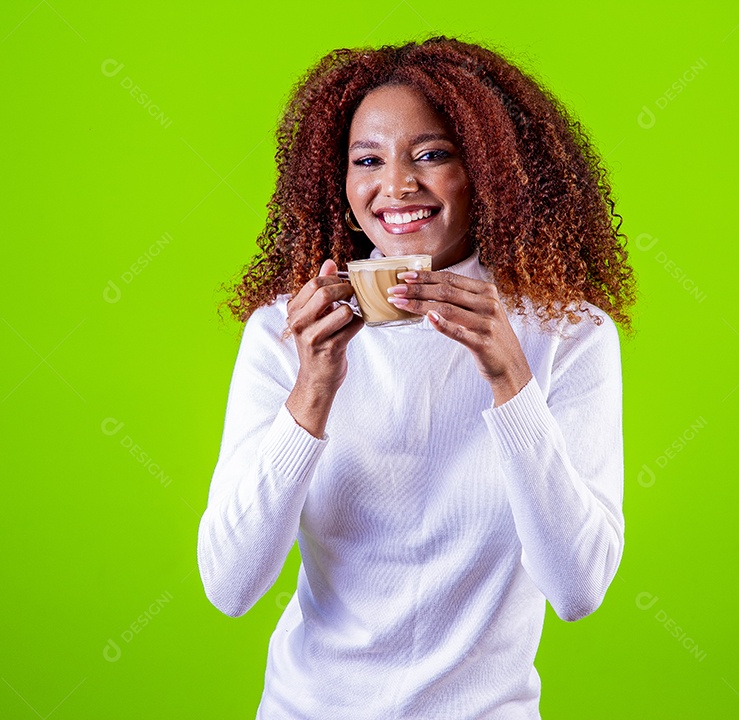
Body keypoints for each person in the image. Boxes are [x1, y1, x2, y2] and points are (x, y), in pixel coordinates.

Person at [198, 35, 637, 719]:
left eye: (431, 155)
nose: (396, 186)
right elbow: (229, 586)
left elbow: (577, 590)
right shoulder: (288, 332)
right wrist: (313, 389)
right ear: (339, 184)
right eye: (367, 160)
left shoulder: (569, 334)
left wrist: (511, 381)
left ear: (489, 170)